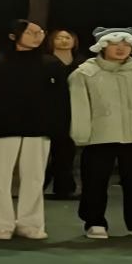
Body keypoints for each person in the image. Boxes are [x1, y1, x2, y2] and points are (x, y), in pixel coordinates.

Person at [70, 28, 132, 239]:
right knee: (95, 181)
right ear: (103, 46)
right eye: (115, 44)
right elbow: (79, 106)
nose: (121, 48)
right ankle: (94, 222)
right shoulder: (85, 72)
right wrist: (80, 133)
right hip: (99, 135)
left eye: (126, 44)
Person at [0, 19, 67, 240]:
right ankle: (0, 225)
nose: (37, 36)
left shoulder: (51, 63)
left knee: (34, 178)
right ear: (13, 35)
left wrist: (57, 127)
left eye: (40, 32)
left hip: (39, 128)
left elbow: (61, 98)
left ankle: (31, 224)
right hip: (2, 129)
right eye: (30, 32)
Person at [44, 29, 82, 199]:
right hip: (48, 111)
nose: (64, 40)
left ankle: (64, 187)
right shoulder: (44, 61)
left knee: (68, 151)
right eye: (59, 37)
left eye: (67, 37)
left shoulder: (82, 63)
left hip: (74, 111)